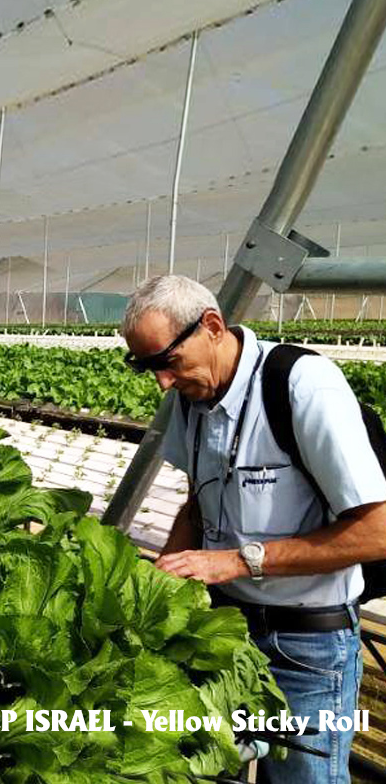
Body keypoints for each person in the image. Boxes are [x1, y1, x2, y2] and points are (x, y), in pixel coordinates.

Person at [121, 274, 386, 784]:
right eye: (146, 366)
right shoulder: (190, 399)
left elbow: (377, 532)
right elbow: (197, 505)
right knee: (216, 767)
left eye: (168, 361)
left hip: (306, 647)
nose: (162, 382)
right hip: (225, 634)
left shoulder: (302, 386)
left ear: (212, 326)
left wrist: (240, 561)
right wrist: (158, 591)